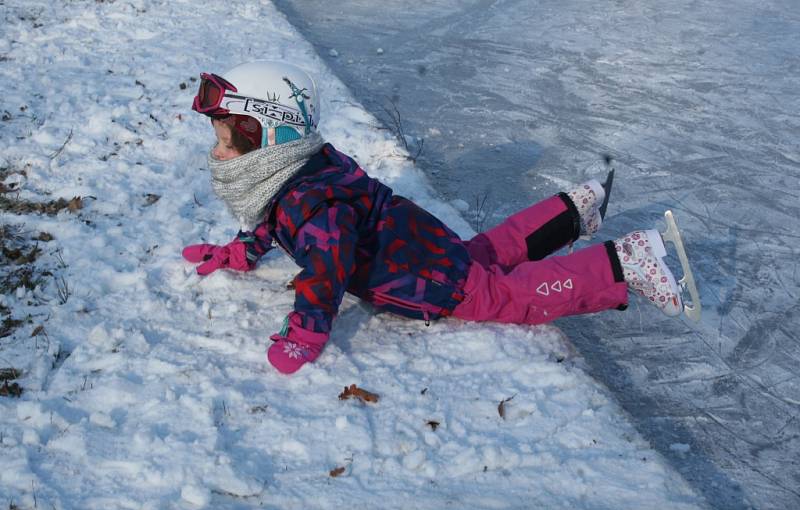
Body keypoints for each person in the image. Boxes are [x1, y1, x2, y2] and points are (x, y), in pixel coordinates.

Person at [183, 60, 687, 375]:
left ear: (273, 134)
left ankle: (627, 263)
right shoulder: (301, 175)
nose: (221, 150)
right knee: (488, 253)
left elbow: (325, 272)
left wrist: (304, 336)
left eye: (233, 137)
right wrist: (239, 252)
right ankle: (573, 211)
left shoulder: (313, 206)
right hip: (421, 246)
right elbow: (274, 222)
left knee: (504, 294)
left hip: (422, 277)